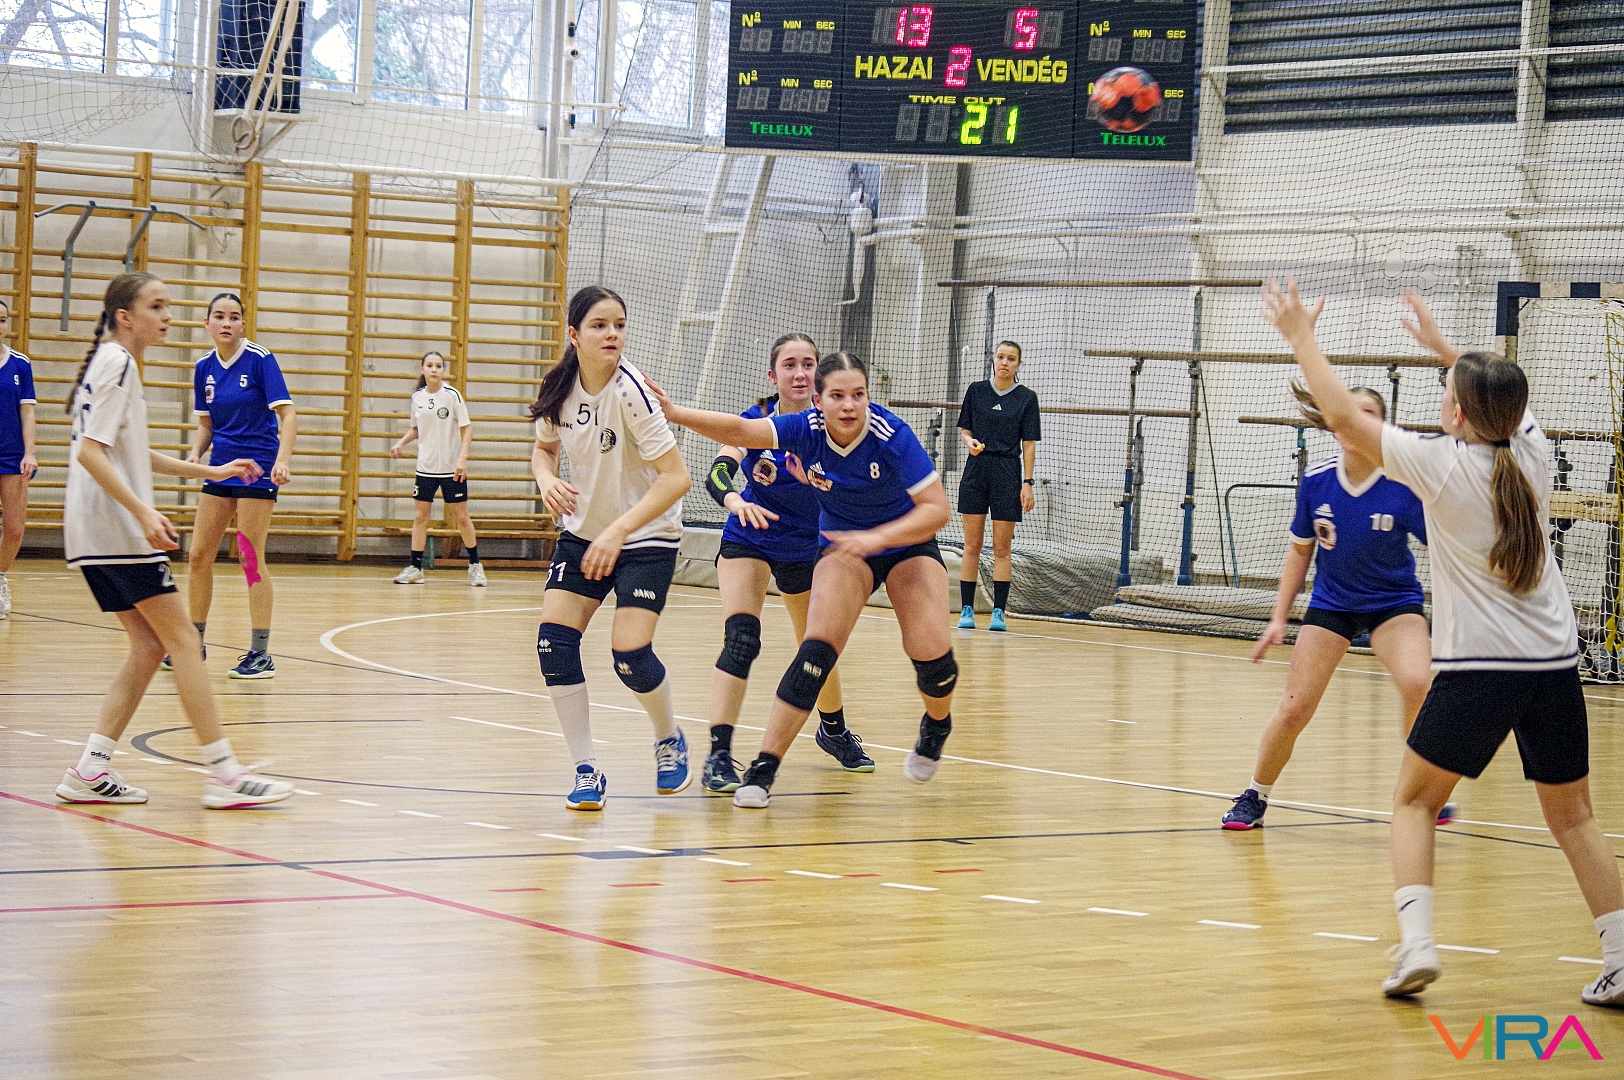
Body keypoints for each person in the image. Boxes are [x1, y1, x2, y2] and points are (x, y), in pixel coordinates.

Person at [1263, 279, 1624, 1006]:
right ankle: (1621, 957)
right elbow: (1500, 401)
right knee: (1575, 818)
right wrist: (1446, 351)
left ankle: (1417, 946)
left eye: (1446, 389)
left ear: (1457, 412)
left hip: (1479, 670)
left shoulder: (1441, 463)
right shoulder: (1531, 449)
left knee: (1414, 804)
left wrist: (1301, 336)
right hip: (1555, 667)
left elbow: (1343, 416)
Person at [652, 352, 958, 809]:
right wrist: (675, 413)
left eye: (859, 395)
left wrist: (877, 538)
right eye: (838, 396)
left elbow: (937, 510)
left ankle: (936, 724)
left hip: (904, 542)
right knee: (815, 651)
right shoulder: (804, 428)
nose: (849, 405)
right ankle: (763, 767)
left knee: (929, 651)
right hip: (842, 545)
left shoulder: (892, 435)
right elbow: (739, 432)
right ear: (819, 401)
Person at [53, 272, 294, 809]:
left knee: (149, 645)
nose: (168, 316)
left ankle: (90, 769)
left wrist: (213, 469)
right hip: (115, 529)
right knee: (184, 640)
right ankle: (225, 775)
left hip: (91, 530)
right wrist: (142, 511)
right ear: (125, 316)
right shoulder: (119, 363)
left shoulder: (110, 362)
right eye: (156, 306)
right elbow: (90, 452)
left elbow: (129, 453)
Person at [1222, 383, 1448, 830]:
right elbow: (1299, 551)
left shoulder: (1404, 483)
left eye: (1367, 414)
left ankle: (1423, 792)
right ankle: (1255, 795)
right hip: (1333, 603)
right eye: (1348, 411)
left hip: (1393, 604)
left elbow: (1446, 549)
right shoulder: (1317, 481)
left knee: (1418, 685)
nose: (1355, 420)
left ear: (1382, 427)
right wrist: (1278, 617)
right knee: (1294, 708)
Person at [530, 286, 693, 811]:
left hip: (645, 536)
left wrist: (618, 531)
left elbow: (677, 478)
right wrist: (546, 480)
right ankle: (586, 769)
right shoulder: (558, 388)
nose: (612, 334)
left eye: (619, 325)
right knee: (554, 644)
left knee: (630, 656)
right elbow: (543, 449)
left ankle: (668, 738)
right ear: (574, 335)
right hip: (585, 535)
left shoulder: (632, 392)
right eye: (600, 325)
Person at [701, 333, 871, 793]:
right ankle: (718, 755)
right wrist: (734, 500)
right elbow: (719, 470)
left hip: (807, 547)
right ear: (772, 375)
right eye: (790, 365)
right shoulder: (755, 420)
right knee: (741, 639)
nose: (800, 373)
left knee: (817, 645)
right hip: (750, 536)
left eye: (808, 364)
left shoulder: (834, 425)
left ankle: (833, 730)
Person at [175, 292, 297, 680]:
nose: (226, 323)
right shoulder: (204, 367)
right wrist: (195, 454)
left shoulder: (260, 359)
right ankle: (193, 643)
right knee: (198, 556)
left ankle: (260, 653)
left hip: (257, 469)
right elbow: (206, 424)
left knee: (249, 556)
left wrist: (282, 460)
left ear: (243, 324)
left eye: (233, 317)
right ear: (207, 324)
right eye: (219, 316)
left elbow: (288, 414)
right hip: (221, 469)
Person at [956, 340, 1040, 632]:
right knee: (972, 545)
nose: (1005, 362)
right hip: (976, 470)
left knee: (1002, 547)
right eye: (1001, 357)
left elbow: (1029, 444)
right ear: (993, 359)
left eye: (1011, 358)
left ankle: (999, 612)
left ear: (1018, 364)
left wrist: (1027, 483)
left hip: (1007, 472)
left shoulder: (1027, 398)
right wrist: (970, 442)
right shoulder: (976, 391)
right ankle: (966, 609)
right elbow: (965, 430)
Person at [390, 351, 485, 586]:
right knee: (420, 517)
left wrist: (462, 459)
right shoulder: (417, 398)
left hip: (452, 468)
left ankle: (475, 566)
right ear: (422, 369)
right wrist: (400, 443)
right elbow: (417, 428)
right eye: (430, 365)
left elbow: (467, 428)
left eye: (439, 366)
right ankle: (415, 568)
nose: (434, 369)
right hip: (425, 468)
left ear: (443, 370)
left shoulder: (452, 395)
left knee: (461, 517)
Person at [0, 298, 36, 620]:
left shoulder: (20, 364)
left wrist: (30, 453)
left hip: (12, 457)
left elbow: (27, 412)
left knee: (14, 528)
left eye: (2, 320)